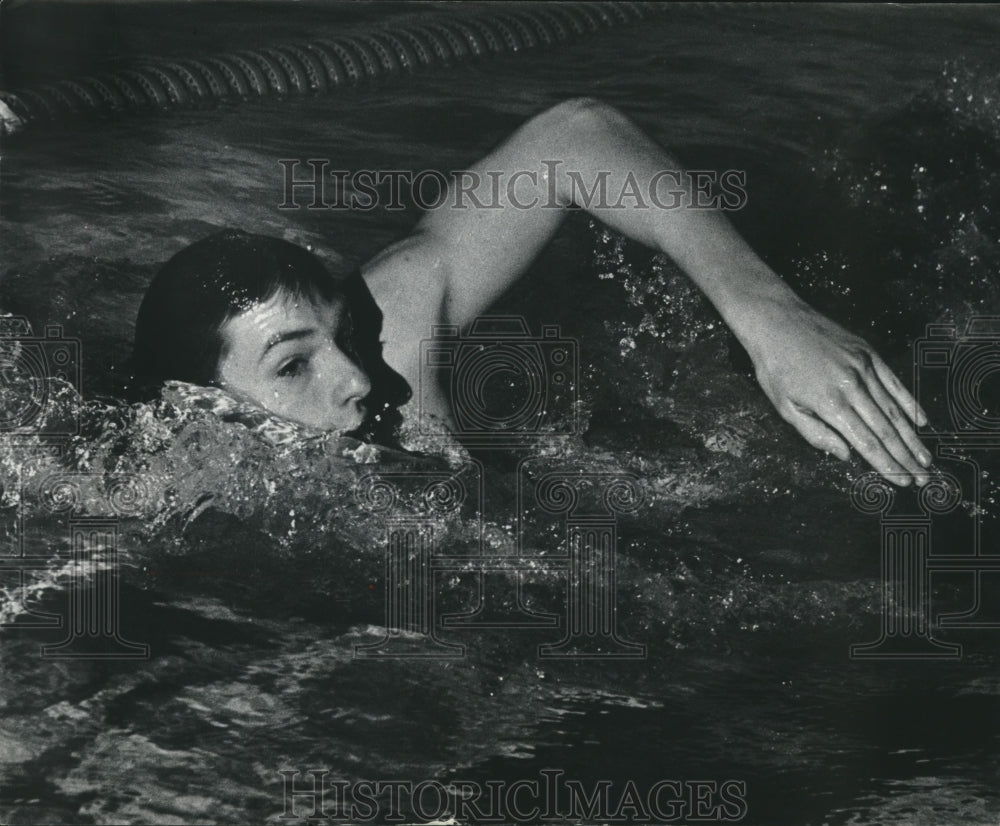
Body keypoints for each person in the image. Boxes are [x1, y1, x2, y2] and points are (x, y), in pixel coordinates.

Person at [132, 98, 932, 486]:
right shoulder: (171, 496)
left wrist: (766, 310)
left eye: (340, 337)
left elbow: (573, 137)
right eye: (291, 369)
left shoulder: (391, 327)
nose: (360, 378)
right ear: (202, 406)